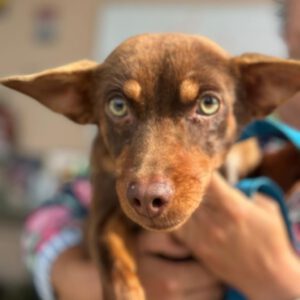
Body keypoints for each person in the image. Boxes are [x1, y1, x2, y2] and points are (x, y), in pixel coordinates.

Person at [23, 0, 300, 299]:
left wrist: (279, 279)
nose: (149, 183)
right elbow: (45, 222)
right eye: (119, 106)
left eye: (206, 104)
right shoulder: (256, 143)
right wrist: (83, 279)